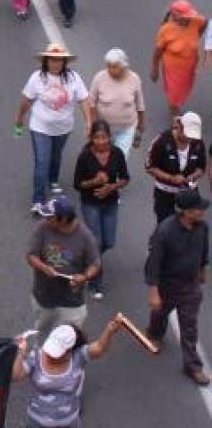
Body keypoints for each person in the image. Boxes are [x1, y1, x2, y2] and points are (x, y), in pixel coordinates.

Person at [16, 43, 92, 216]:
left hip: (63, 128)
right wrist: (19, 118)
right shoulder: (37, 78)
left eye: (59, 60)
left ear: (64, 62)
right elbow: (26, 100)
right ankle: (38, 200)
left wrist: (88, 122)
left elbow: (84, 100)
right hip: (40, 127)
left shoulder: (73, 78)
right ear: (46, 61)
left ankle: (52, 180)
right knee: (41, 161)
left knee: (55, 156)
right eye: (52, 60)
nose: (55, 64)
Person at [146, 187, 210, 384]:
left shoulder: (202, 227)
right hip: (168, 284)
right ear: (187, 211)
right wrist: (154, 291)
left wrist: (202, 270)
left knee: (189, 326)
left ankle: (193, 366)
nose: (202, 211)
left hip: (190, 285)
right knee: (160, 313)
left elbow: (204, 249)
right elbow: (154, 262)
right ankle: (155, 332)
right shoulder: (165, 231)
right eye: (198, 208)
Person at [27, 196, 101, 334]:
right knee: (42, 333)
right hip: (44, 297)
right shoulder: (42, 228)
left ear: (64, 219)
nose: (46, 220)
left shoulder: (86, 237)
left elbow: (95, 264)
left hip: (71, 302)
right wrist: (44, 267)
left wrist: (84, 277)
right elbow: (31, 256)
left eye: (51, 218)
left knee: (67, 339)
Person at [73, 121, 129, 299]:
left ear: (109, 137)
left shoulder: (117, 154)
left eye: (104, 137)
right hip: (91, 203)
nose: (101, 141)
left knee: (109, 241)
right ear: (91, 138)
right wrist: (94, 183)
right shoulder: (85, 157)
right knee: (97, 241)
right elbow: (77, 184)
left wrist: (111, 187)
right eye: (97, 137)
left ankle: (87, 256)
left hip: (111, 202)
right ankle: (94, 282)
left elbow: (125, 178)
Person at [145, 112, 207, 224]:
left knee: (192, 226)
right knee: (166, 226)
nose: (190, 139)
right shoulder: (161, 141)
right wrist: (171, 178)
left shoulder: (198, 142)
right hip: (165, 193)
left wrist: (193, 176)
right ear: (179, 126)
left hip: (189, 192)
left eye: (192, 136)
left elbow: (201, 168)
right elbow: (150, 167)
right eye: (187, 134)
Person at [150, 0, 208, 116]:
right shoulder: (166, 30)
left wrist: (197, 35)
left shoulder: (196, 21)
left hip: (189, 67)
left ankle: (176, 105)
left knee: (184, 90)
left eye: (189, 16)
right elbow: (157, 52)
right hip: (173, 71)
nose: (189, 18)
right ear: (175, 16)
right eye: (186, 17)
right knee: (174, 97)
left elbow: (205, 22)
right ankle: (175, 121)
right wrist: (155, 69)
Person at [88, 48, 145, 157]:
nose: (110, 69)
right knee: (102, 157)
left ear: (123, 66)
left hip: (126, 129)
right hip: (103, 130)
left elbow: (140, 104)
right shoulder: (99, 78)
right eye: (108, 65)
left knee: (119, 159)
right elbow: (92, 103)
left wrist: (141, 124)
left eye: (114, 66)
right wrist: (92, 125)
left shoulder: (134, 79)